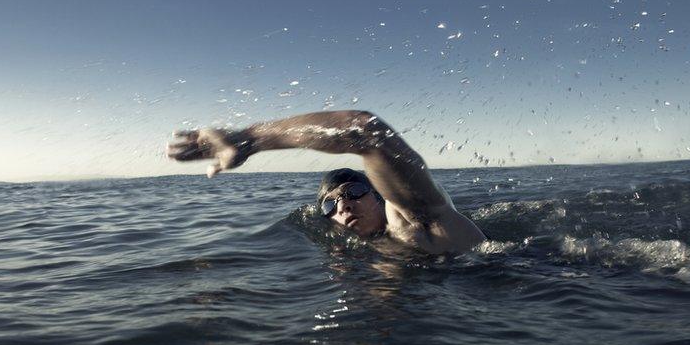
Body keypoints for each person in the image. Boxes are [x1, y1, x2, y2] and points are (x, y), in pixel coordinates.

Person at [166, 110, 485, 254]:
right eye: (330, 204)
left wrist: (249, 139)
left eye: (354, 193)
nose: (343, 205)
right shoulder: (355, 257)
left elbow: (367, 133)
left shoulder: (413, 224)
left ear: (380, 195)